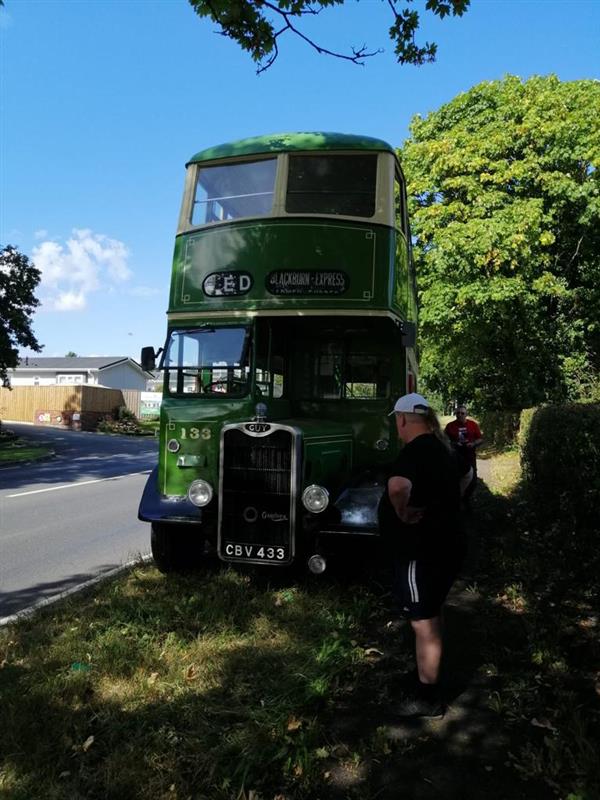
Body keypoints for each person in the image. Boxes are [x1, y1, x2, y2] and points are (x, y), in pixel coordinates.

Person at [378, 392, 465, 719]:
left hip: (421, 551)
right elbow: (465, 481)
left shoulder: (414, 451)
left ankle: (428, 696)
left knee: (423, 619)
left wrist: (400, 513)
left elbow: (398, 487)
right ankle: (429, 673)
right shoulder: (442, 448)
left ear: (402, 419)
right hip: (447, 545)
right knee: (433, 609)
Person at [444, 405, 483, 504]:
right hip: (455, 457)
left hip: (470, 455)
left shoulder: (473, 425)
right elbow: (444, 440)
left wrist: (473, 443)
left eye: (462, 413)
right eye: (458, 413)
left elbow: (480, 439)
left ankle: (466, 499)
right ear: (455, 414)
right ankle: (457, 500)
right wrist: (454, 444)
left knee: (473, 480)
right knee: (456, 479)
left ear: (466, 414)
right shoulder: (450, 426)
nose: (460, 415)